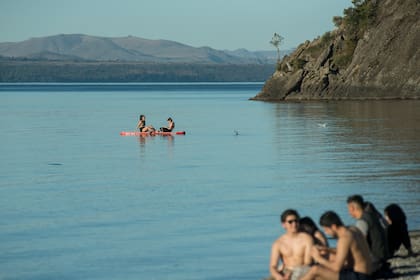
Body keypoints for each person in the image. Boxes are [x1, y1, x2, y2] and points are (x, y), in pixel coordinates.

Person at [301, 211, 373, 280]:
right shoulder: (353, 229)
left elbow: (336, 268)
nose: (326, 233)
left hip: (358, 276)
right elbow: (344, 250)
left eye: (326, 229)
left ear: (334, 226)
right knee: (319, 276)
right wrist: (326, 249)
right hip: (365, 273)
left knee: (315, 270)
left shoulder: (344, 238)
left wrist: (318, 258)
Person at [347, 195, 389, 272]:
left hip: (375, 258)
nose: (348, 212)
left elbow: (360, 244)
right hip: (384, 254)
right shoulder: (372, 215)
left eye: (348, 209)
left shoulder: (362, 221)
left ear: (352, 208)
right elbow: (386, 224)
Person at [270, 209, 314, 280]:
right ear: (284, 225)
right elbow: (273, 266)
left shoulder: (307, 239)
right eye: (290, 222)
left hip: (303, 271)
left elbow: (308, 263)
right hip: (286, 271)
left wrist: (292, 272)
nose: (294, 224)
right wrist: (279, 277)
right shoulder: (278, 243)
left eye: (296, 221)